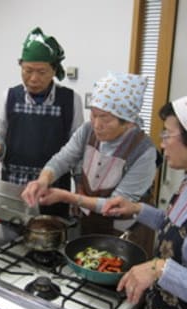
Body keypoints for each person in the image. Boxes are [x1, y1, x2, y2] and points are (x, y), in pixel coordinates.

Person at [101, 93, 187, 309]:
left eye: (168, 135)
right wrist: (137, 209)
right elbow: (174, 228)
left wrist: (159, 268)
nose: (162, 143)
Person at [22, 72, 158, 256]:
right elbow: (63, 158)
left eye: (105, 118)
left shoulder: (144, 152)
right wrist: (42, 181)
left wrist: (67, 197)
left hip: (125, 233)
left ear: (128, 122)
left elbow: (115, 205)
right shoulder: (87, 130)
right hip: (89, 222)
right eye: (93, 115)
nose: (96, 124)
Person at [0, 27, 84, 218]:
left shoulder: (70, 100)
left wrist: (79, 184)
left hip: (54, 189)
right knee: (11, 235)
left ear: (54, 70)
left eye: (41, 72)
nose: (33, 78)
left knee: (51, 234)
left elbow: (78, 148)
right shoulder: (10, 96)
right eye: (27, 70)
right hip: (14, 185)